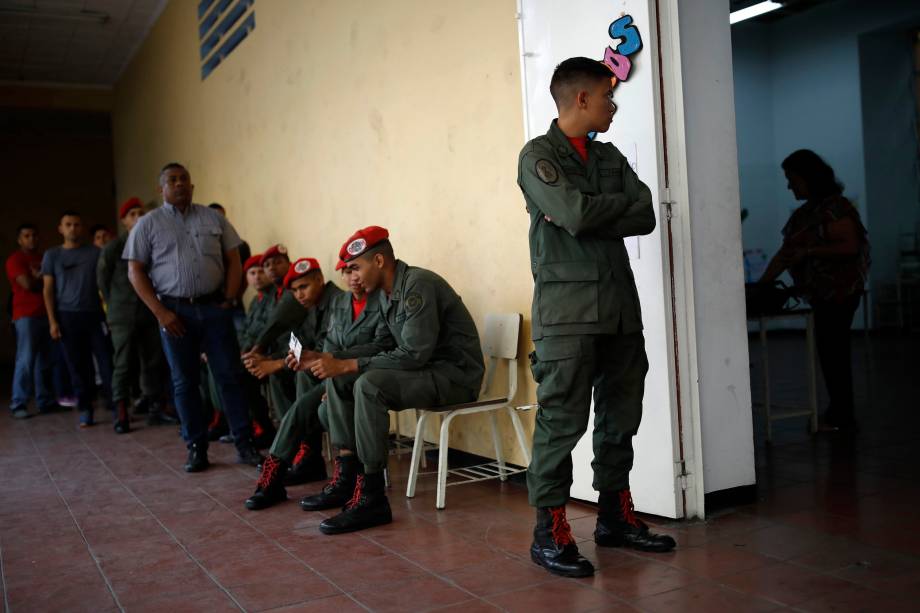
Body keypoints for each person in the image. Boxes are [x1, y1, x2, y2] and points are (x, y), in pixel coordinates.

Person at [516, 57, 675, 578]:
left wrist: (586, 209)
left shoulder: (607, 157)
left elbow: (646, 213)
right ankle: (550, 530)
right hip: (567, 317)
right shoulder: (538, 155)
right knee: (561, 421)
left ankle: (614, 516)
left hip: (619, 310)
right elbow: (578, 215)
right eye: (608, 97)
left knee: (620, 416)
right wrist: (595, 210)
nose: (614, 105)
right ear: (581, 98)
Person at [297, 226, 484, 535]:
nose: (352, 276)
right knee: (341, 379)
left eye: (356, 267)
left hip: (454, 377)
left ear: (380, 261)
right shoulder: (385, 294)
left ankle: (372, 497)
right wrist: (328, 358)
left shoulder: (416, 285)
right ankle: (347, 479)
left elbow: (414, 354)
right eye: (348, 270)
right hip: (426, 373)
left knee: (367, 385)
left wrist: (349, 364)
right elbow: (383, 346)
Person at [123, 162, 262, 471]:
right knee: (184, 382)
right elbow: (135, 271)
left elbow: (233, 258)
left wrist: (230, 297)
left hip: (214, 309)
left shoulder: (213, 218)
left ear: (192, 184)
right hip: (174, 312)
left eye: (184, 179)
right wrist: (160, 312)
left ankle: (244, 442)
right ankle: (196, 447)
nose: (180, 184)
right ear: (161, 189)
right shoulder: (148, 225)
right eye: (172, 180)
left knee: (229, 376)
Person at [760, 149, 869, 431]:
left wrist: (809, 252)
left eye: (792, 178)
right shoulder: (805, 215)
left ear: (809, 178)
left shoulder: (835, 209)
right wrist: (760, 286)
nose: (789, 185)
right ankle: (839, 411)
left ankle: (842, 414)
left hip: (840, 294)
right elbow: (785, 254)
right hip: (821, 296)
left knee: (834, 353)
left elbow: (850, 246)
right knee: (829, 352)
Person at [245, 257, 354, 510]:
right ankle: (308, 457)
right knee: (295, 375)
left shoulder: (338, 303)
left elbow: (328, 354)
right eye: (294, 291)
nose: (299, 295)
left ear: (319, 280)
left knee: (300, 407)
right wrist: (266, 359)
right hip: (328, 372)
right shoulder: (312, 308)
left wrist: (275, 364)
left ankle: (272, 477)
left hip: (345, 375)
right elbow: (301, 347)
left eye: (303, 287)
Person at [97, 197, 175, 433]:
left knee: (152, 361)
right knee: (123, 362)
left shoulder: (152, 243)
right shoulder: (114, 247)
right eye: (132, 214)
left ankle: (154, 407)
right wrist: (114, 309)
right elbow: (103, 282)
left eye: (141, 213)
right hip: (122, 314)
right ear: (124, 221)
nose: (138, 217)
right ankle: (121, 409)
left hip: (149, 312)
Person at [42, 211, 114, 428]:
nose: (72, 228)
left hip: (94, 315)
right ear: (60, 229)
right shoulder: (52, 255)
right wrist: (53, 321)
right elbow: (47, 290)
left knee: (106, 362)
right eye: (68, 224)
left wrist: (110, 314)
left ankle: (116, 406)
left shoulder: (95, 253)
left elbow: (106, 284)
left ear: (82, 228)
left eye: (76, 224)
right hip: (67, 316)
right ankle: (85, 408)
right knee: (77, 366)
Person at [6, 223, 59, 418]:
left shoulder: (44, 258)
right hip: (25, 315)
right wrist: (43, 281)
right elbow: (28, 284)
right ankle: (18, 403)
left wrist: (42, 280)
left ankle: (45, 401)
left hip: (46, 314)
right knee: (25, 359)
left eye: (34, 235)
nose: (31, 239)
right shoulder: (15, 259)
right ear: (19, 240)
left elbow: (53, 284)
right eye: (26, 236)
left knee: (44, 361)